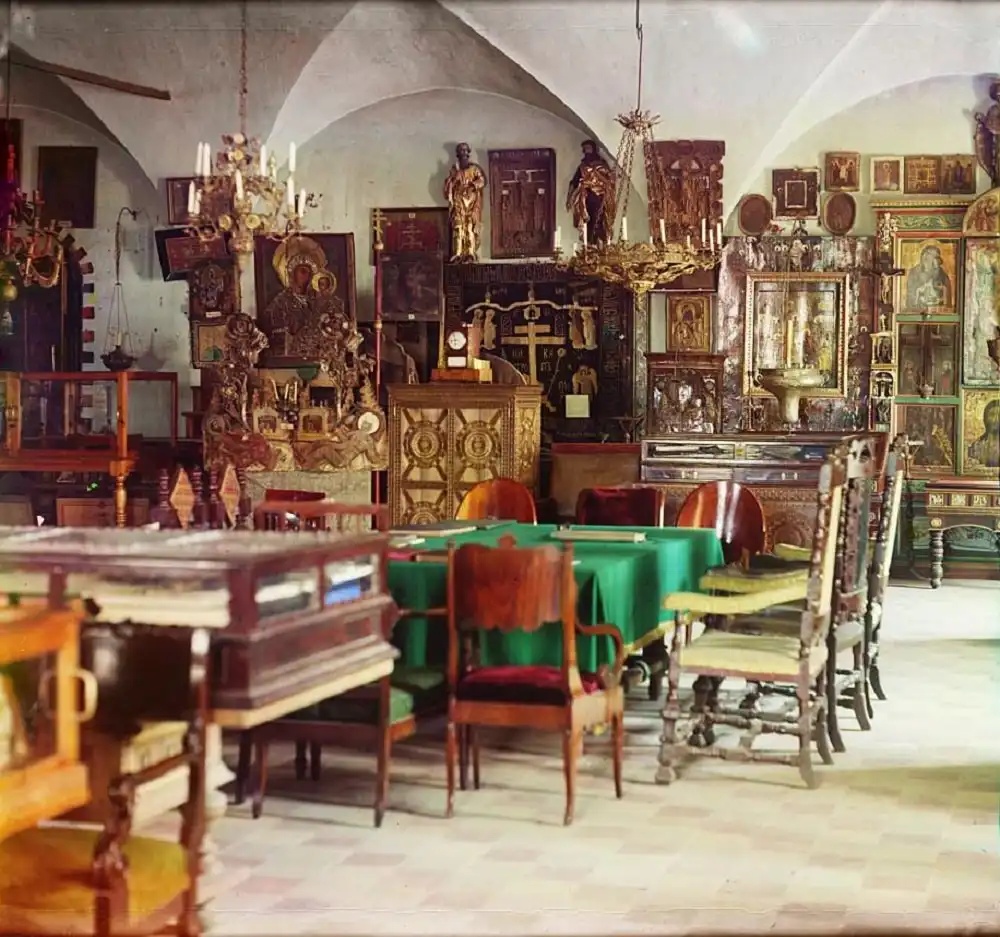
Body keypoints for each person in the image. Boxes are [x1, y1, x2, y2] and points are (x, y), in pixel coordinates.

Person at [566, 139, 616, 245]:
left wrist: (608, 180)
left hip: (600, 197)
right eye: (585, 149)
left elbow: (609, 180)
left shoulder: (602, 164)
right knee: (588, 219)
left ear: (594, 149)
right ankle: (590, 242)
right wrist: (569, 197)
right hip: (587, 197)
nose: (586, 151)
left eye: (588, 148)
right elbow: (574, 182)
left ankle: (602, 240)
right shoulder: (582, 167)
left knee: (600, 218)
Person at [443, 142, 486, 262]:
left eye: (465, 151)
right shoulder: (454, 170)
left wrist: (473, 185)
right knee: (458, 227)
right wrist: (453, 180)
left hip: (472, 203)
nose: (463, 154)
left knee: (470, 226)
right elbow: (447, 188)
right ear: (457, 154)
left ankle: (470, 253)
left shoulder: (474, 170)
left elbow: (481, 181)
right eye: (461, 151)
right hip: (458, 203)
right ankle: (458, 252)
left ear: (468, 153)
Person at [905, 245, 952, 311]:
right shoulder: (914, 272)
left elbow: (947, 297)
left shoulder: (941, 274)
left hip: (936, 309)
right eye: (925, 254)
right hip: (918, 309)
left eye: (930, 255)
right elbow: (910, 295)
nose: (926, 256)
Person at [967, 398, 1000, 468]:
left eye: (999, 415)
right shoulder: (976, 447)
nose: (996, 419)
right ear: (985, 418)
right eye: (992, 414)